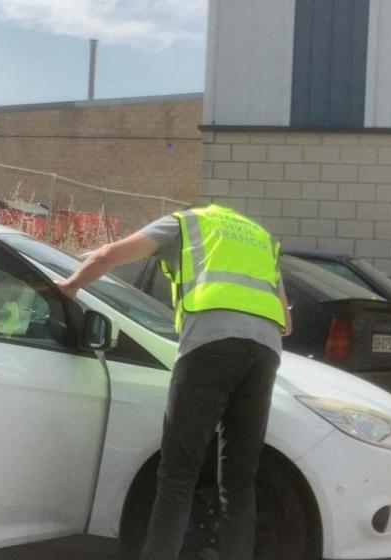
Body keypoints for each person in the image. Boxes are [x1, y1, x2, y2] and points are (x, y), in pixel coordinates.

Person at [57, 203, 292, 560]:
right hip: (264, 355)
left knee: (178, 474)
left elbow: (109, 255)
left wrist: (71, 286)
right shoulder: (261, 238)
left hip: (209, 346)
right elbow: (286, 324)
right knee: (239, 481)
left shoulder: (187, 222)